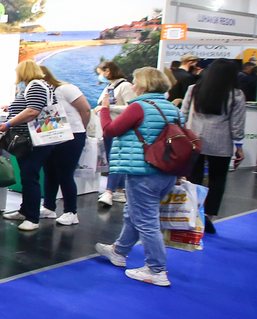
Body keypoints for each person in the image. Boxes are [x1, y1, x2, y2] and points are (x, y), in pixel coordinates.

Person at [94, 67, 182, 287]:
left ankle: (156, 269)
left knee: (146, 220)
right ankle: (119, 251)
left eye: (135, 82)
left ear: (143, 85)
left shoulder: (139, 107)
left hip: (142, 171)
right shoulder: (172, 108)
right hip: (167, 171)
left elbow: (110, 130)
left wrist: (105, 109)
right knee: (135, 213)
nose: (133, 86)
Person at [182, 59, 246, 234]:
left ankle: (191, 212)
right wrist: (239, 146)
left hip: (194, 139)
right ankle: (208, 215)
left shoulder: (194, 89)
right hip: (221, 142)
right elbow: (237, 124)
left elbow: (183, 114)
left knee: (193, 178)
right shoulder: (236, 94)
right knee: (218, 179)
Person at [0, 61, 56, 232]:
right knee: (27, 176)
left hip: (33, 141)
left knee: (30, 177)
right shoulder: (40, 86)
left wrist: (9, 124)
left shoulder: (36, 86)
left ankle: (32, 217)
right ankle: (25, 210)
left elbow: (32, 111)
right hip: (32, 140)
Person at [38, 67, 92, 226]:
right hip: (52, 135)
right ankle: (49, 207)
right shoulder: (43, 93)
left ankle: (71, 211)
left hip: (72, 136)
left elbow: (85, 109)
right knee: (49, 172)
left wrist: (81, 129)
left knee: (65, 174)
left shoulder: (66, 89)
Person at [96, 61, 136, 207]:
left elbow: (131, 107)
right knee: (112, 159)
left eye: (101, 72)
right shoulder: (110, 86)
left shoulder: (125, 86)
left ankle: (110, 191)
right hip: (109, 127)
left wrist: (108, 108)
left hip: (120, 128)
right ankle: (119, 190)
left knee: (116, 160)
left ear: (108, 71)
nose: (100, 76)